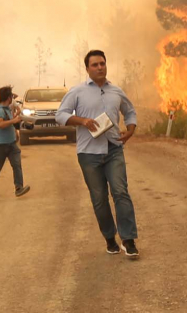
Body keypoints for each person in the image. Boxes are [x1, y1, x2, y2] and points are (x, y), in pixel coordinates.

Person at [56, 50, 139, 258]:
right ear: (87, 69)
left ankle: (128, 240)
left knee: (120, 192)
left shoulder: (116, 91)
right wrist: (82, 121)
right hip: (88, 153)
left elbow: (130, 111)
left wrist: (130, 130)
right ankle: (110, 239)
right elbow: (60, 115)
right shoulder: (77, 92)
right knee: (99, 198)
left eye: (102, 63)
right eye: (95, 65)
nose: (100, 67)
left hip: (113, 150)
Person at [0, 86, 30, 198]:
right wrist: (14, 120)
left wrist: (16, 121)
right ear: (8, 98)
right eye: (11, 96)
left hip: (11, 143)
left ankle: (19, 188)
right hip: (0, 145)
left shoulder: (7, 109)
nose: (12, 98)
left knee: (17, 165)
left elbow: (10, 122)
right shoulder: (0, 111)